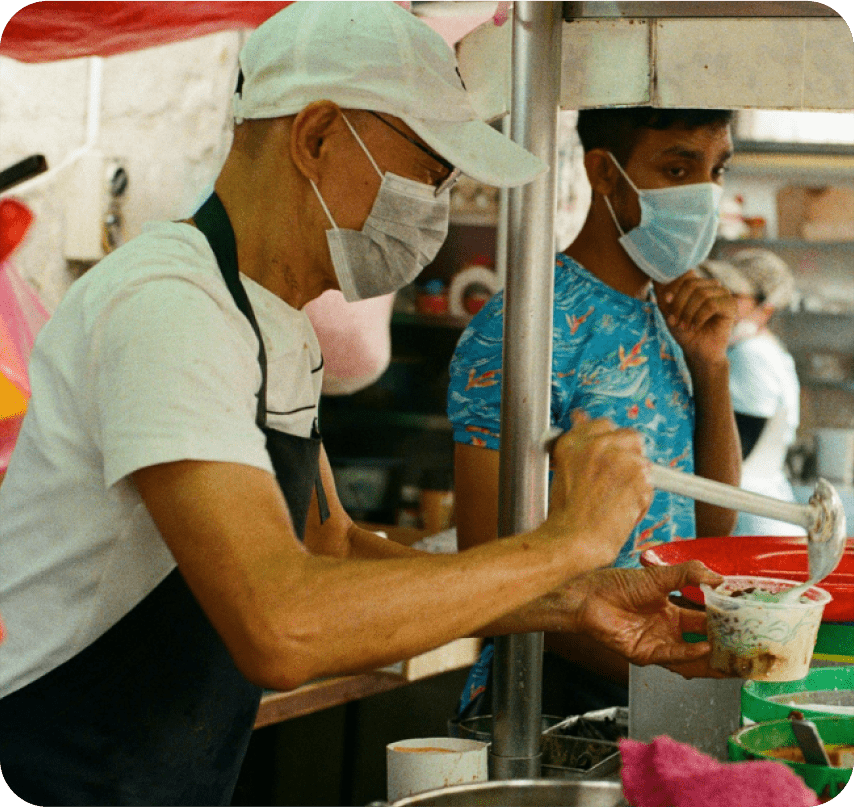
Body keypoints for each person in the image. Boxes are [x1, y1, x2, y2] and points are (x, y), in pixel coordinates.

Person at [0, 5, 724, 805]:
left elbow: (334, 544)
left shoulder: (279, 325)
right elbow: (279, 623)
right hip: (51, 772)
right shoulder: (169, 305)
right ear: (316, 136)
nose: (436, 206)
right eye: (428, 172)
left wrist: (570, 601)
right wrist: (568, 543)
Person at [449, 107, 742, 720]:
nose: (704, 194)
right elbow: (484, 579)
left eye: (716, 170)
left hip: (657, 670)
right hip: (554, 689)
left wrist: (712, 367)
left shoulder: (671, 318)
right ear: (604, 173)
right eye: (677, 169)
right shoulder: (524, 327)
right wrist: (666, 672)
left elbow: (712, 530)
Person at [699, 249, 803, 536]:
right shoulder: (762, 348)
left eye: (735, 295)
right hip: (761, 507)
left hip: (749, 514)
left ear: (765, 308)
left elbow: (738, 446)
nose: (721, 300)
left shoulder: (752, 354)